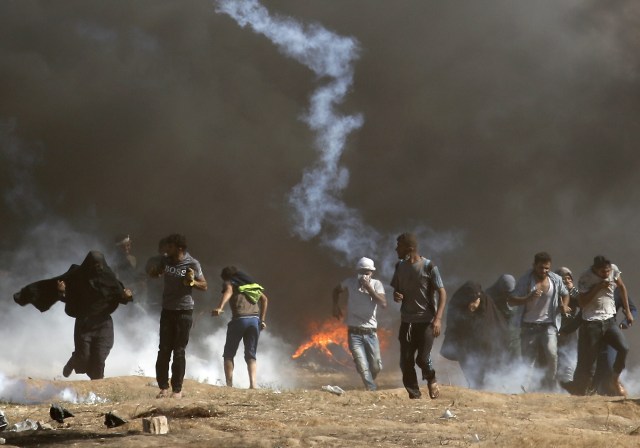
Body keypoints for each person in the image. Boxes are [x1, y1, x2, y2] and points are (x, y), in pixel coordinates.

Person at [14, 251, 133, 379]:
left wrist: (126, 296)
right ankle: (73, 361)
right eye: (95, 264)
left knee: (99, 357)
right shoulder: (78, 279)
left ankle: (97, 388)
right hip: (84, 324)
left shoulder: (109, 278)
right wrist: (61, 292)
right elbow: (70, 299)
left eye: (100, 264)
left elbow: (119, 295)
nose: (98, 267)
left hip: (104, 324)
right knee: (83, 356)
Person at [391, 232, 447, 399]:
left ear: (410, 248)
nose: (396, 249)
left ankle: (431, 378)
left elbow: (442, 293)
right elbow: (397, 290)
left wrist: (437, 319)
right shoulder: (399, 266)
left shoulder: (429, 267)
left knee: (422, 359)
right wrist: (397, 295)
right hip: (407, 322)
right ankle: (414, 395)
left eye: (399, 246)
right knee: (405, 361)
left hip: (426, 321)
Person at [150, 234, 207, 399]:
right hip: (167, 310)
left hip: (184, 311)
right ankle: (163, 388)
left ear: (179, 248)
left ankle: (177, 390)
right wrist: (154, 272)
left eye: (170, 246)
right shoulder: (165, 261)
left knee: (179, 351)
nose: (167, 249)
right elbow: (155, 274)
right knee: (163, 350)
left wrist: (192, 282)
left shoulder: (192, 263)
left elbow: (205, 285)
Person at [571, 256, 633, 397]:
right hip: (592, 321)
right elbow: (582, 303)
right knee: (591, 359)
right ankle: (587, 392)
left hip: (609, 319)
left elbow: (622, 287)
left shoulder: (613, 270)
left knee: (623, 348)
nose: (606, 274)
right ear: (595, 269)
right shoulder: (585, 277)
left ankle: (615, 380)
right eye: (603, 272)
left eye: (608, 271)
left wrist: (628, 312)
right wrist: (598, 287)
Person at [509, 252, 569, 391]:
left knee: (551, 352)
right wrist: (527, 298)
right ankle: (525, 388)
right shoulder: (525, 280)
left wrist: (564, 306)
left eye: (547, 268)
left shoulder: (555, 279)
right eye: (541, 268)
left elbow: (565, 293)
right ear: (534, 265)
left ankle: (551, 383)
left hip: (548, 324)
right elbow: (511, 300)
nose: (544, 271)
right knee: (528, 360)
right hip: (529, 325)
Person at [332, 257, 387, 391]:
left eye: (367, 273)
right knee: (363, 365)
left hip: (371, 333)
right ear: (357, 272)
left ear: (371, 273)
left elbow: (383, 304)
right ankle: (371, 388)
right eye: (361, 272)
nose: (364, 275)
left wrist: (369, 288)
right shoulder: (350, 283)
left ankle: (368, 377)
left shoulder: (376, 284)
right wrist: (335, 305)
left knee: (375, 366)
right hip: (354, 333)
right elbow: (336, 290)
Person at [440, 281, 508, 389]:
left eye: (477, 297)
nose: (476, 299)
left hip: (484, 344)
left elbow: (486, 327)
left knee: (485, 370)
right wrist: (469, 311)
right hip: (464, 343)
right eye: (472, 298)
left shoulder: (486, 302)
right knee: (469, 369)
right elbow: (457, 326)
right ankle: (474, 386)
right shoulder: (457, 304)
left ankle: (486, 387)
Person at [212, 266, 269, 389]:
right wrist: (262, 320)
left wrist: (220, 307)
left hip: (239, 320)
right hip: (254, 321)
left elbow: (228, 291)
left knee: (228, 354)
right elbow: (264, 300)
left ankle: (229, 385)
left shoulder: (230, 283)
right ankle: (253, 385)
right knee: (251, 354)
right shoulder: (251, 286)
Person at [593, 290, 637, 395]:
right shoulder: (592, 286)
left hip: (610, 330)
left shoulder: (618, 291)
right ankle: (592, 391)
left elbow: (633, 310)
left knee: (610, 363)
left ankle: (614, 386)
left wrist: (625, 322)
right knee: (592, 364)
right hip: (591, 330)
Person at [485, 274, 519, 363]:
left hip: (513, 333)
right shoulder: (489, 296)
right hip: (496, 333)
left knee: (516, 360)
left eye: (510, 292)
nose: (508, 295)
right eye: (506, 292)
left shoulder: (516, 294)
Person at [555, 266, 581, 386]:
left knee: (570, 357)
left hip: (570, 329)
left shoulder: (574, 293)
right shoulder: (552, 291)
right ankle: (553, 384)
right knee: (554, 357)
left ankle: (567, 384)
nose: (566, 281)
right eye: (563, 278)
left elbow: (584, 304)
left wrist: (572, 290)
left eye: (568, 278)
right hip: (554, 327)